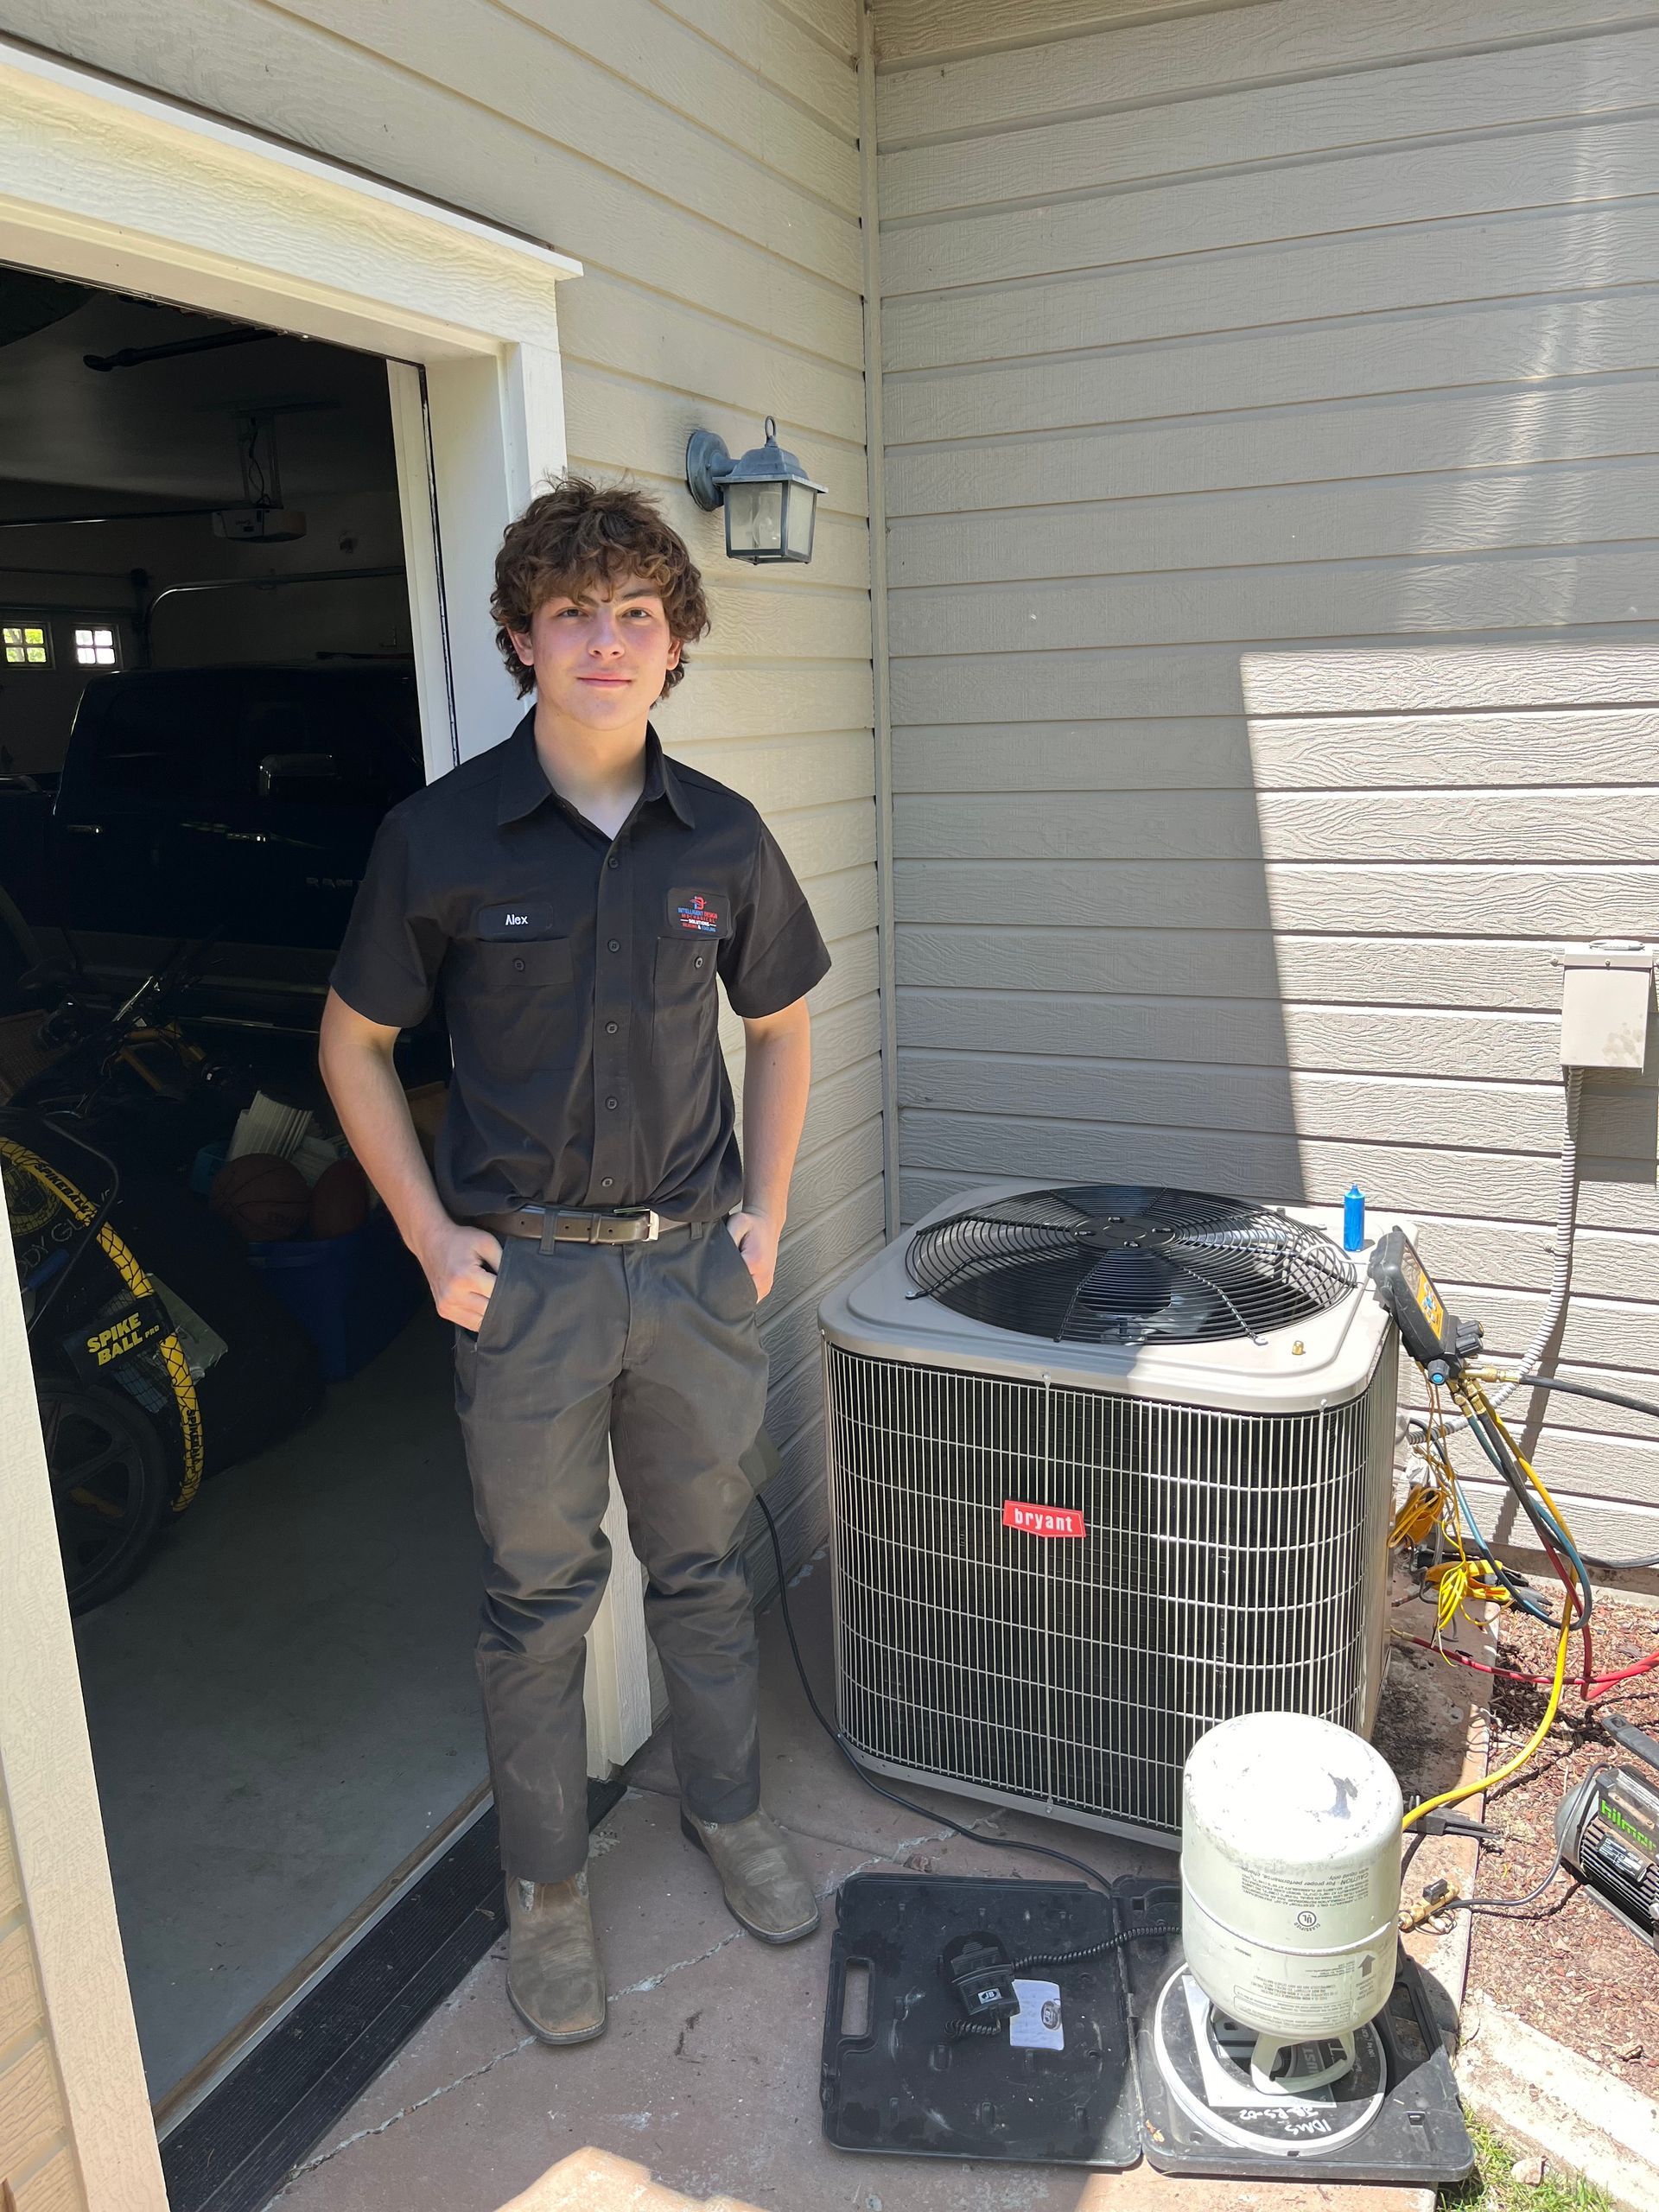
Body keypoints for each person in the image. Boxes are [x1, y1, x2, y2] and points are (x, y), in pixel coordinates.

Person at [318, 477, 830, 2045]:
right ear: (521, 639)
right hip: (524, 1288)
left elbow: (784, 1023)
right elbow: (351, 1046)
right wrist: (426, 1239)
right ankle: (545, 1891)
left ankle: (727, 1813)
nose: (605, 644)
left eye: (635, 615)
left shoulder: (723, 839)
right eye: (571, 615)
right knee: (537, 1602)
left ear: (675, 645)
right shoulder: (442, 837)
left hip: (691, 1277)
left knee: (699, 1571)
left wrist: (766, 1213)